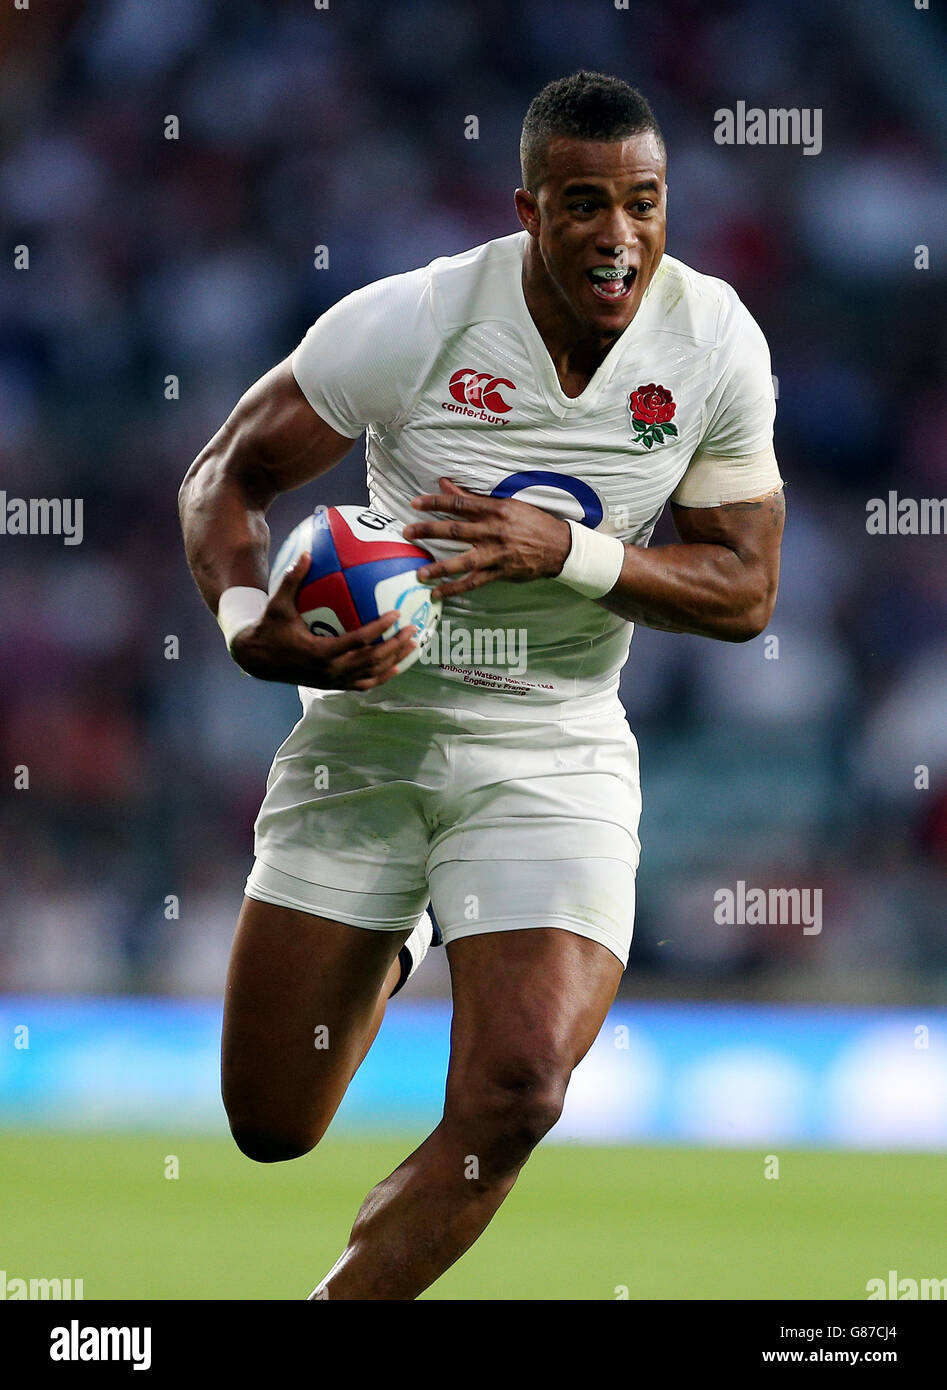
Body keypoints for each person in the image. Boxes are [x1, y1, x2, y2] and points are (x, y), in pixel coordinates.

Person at [178, 70, 785, 1300]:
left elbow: (743, 589)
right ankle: (401, 920)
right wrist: (249, 622)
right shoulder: (415, 321)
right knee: (269, 1121)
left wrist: (566, 552)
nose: (617, 235)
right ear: (527, 209)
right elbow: (224, 476)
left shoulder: (711, 340)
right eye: (582, 204)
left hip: (552, 745)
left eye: (643, 203)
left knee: (520, 1091)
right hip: (371, 730)